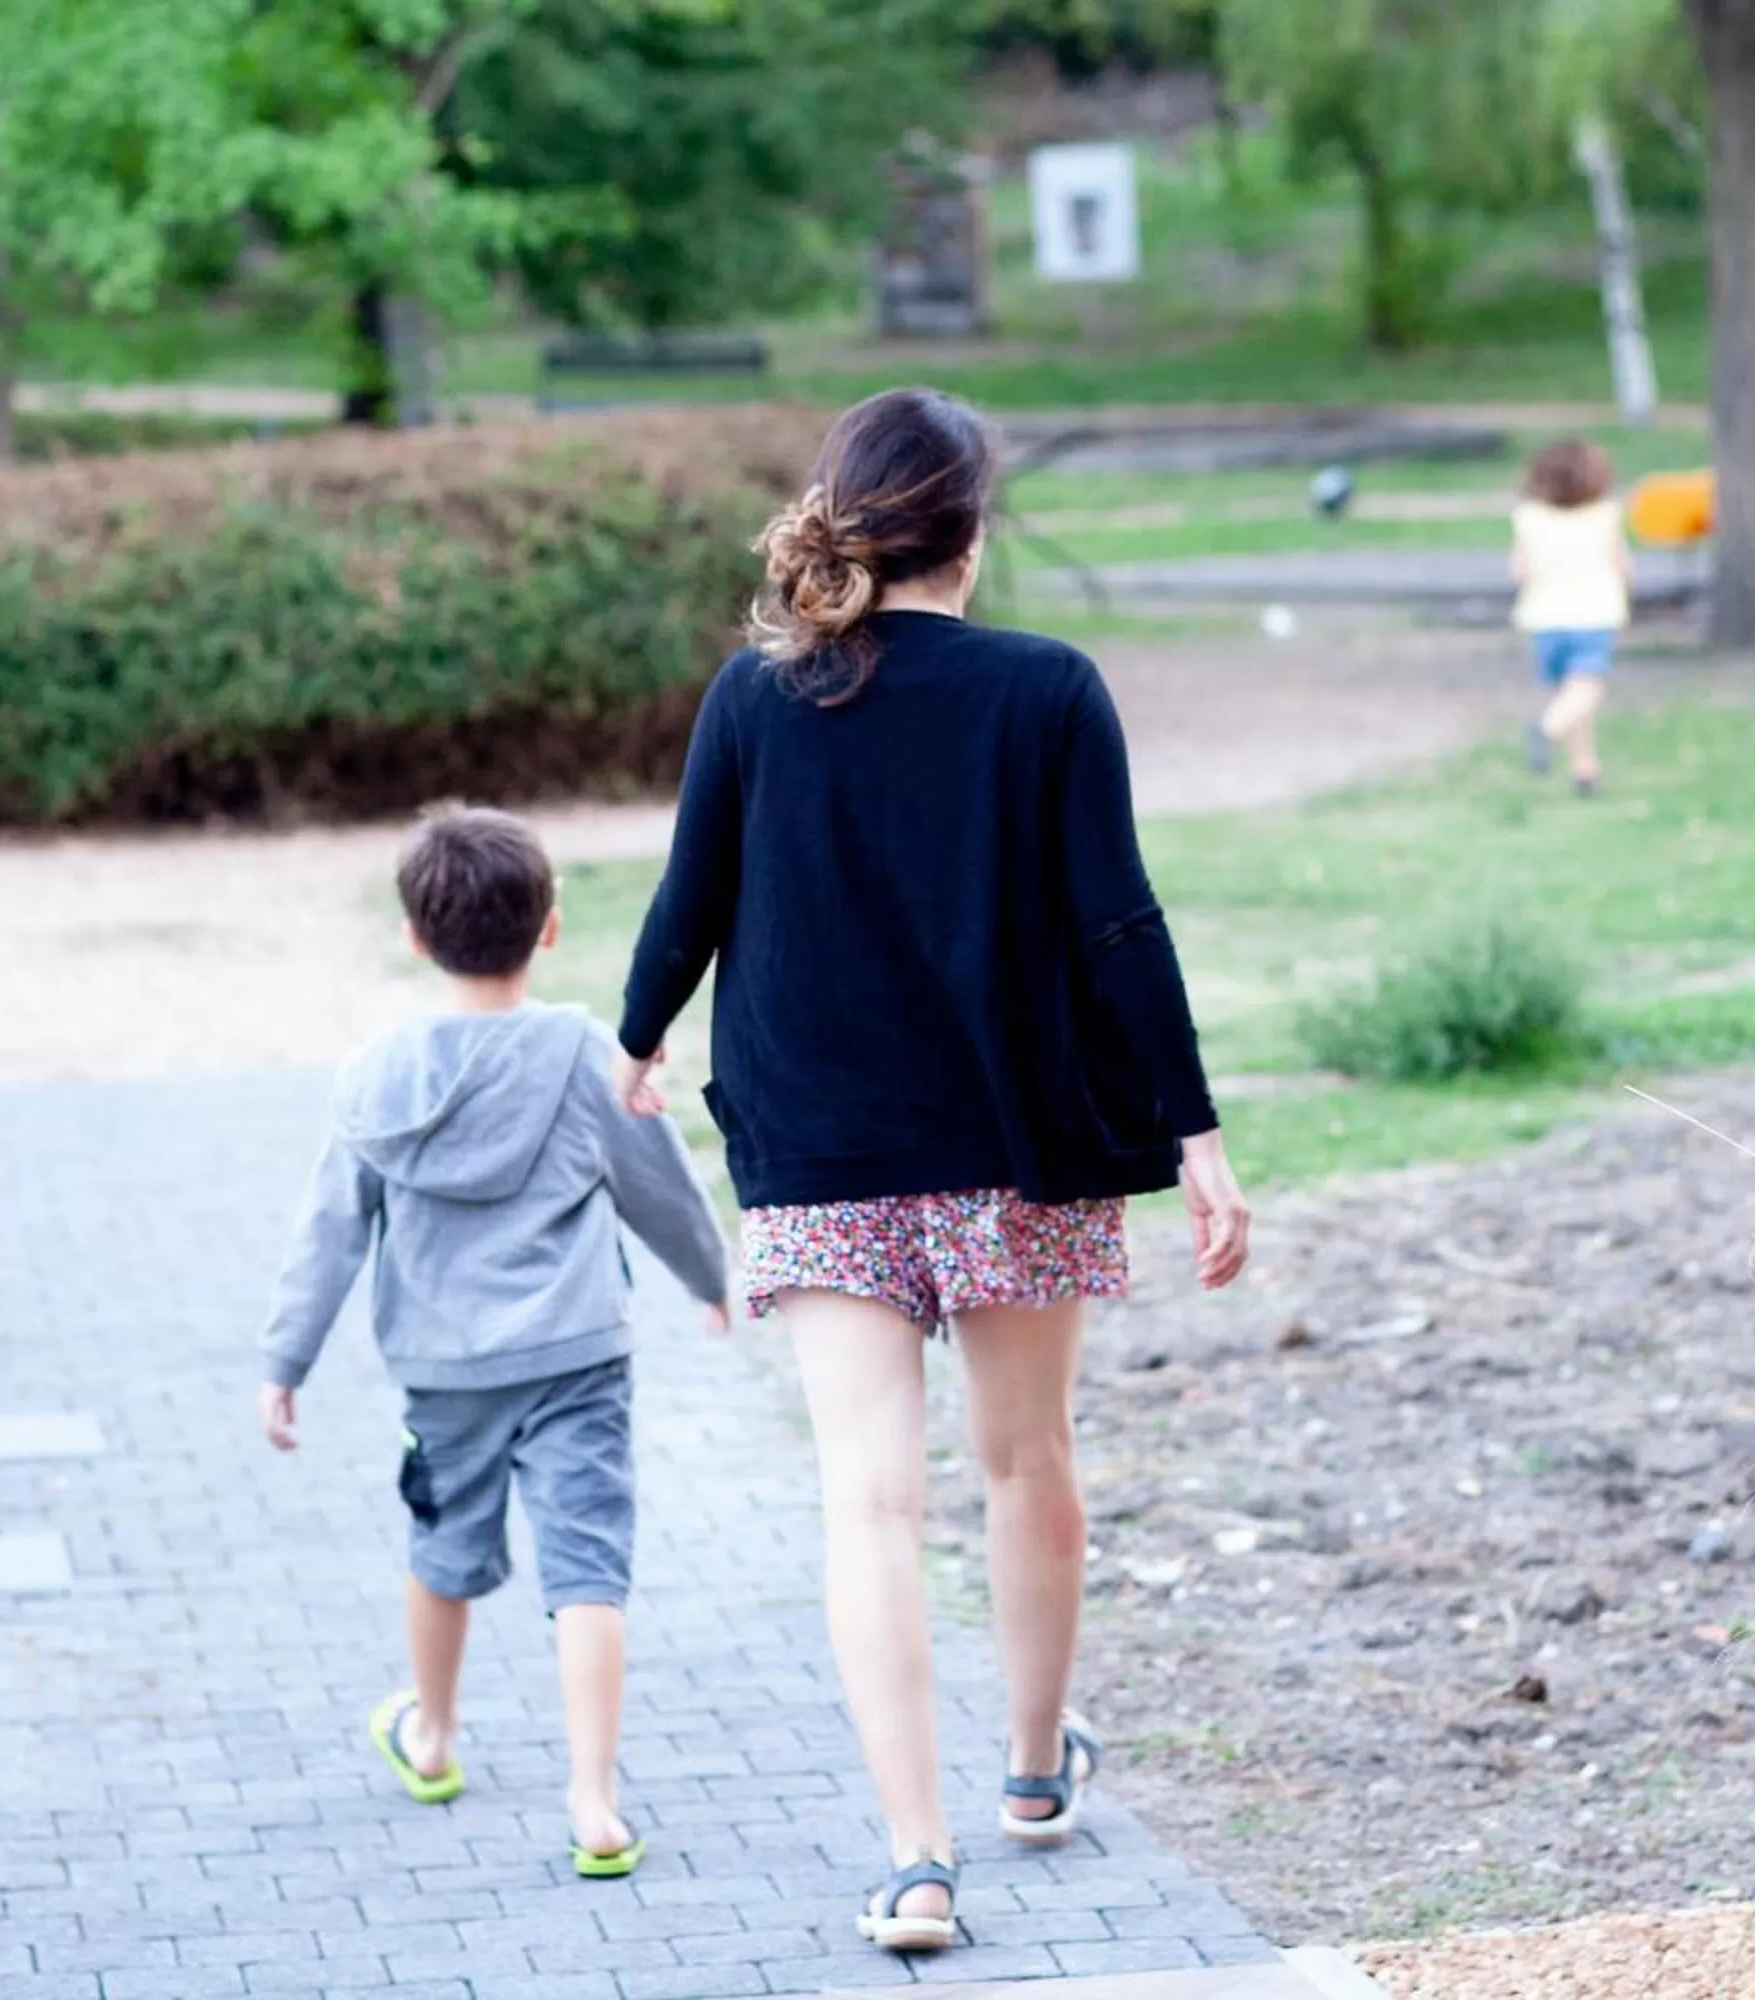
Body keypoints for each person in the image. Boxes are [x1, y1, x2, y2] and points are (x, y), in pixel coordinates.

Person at [612, 386, 1253, 1954]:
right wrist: (1196, 1132)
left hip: (820, 1154)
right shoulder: (1048, 690)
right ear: (971, 535)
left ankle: (917, 1860)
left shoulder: (757, 698)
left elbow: (691, 899)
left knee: (870, 1504)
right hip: (1015, 1151)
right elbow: (1120, 924)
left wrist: (633, 1042)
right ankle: (1032, 1769)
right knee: (1025, 1459)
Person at [258, 805, 732, 1881]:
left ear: (415, 936)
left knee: (443, 1551)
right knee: (588, 1567)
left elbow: (330, 1231)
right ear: (550, 926)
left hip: (443, 1373)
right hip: (577, 1355)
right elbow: (657, 1182)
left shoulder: (378, 1076)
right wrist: (709, 1277)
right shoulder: (584, 1054)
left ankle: (431, 1735)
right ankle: (595, 1799)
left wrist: (285, 1362)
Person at [1509, 438, 1634, 796]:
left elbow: (1518, 570)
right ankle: (1546, 729)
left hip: (1544, 620)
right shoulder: (1604, 515)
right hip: (1592, 616)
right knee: (1587, 689)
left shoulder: (1529, 517)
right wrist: (1626, 592)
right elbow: (1623, 565)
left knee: (1570, 694)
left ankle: (1585, 769)